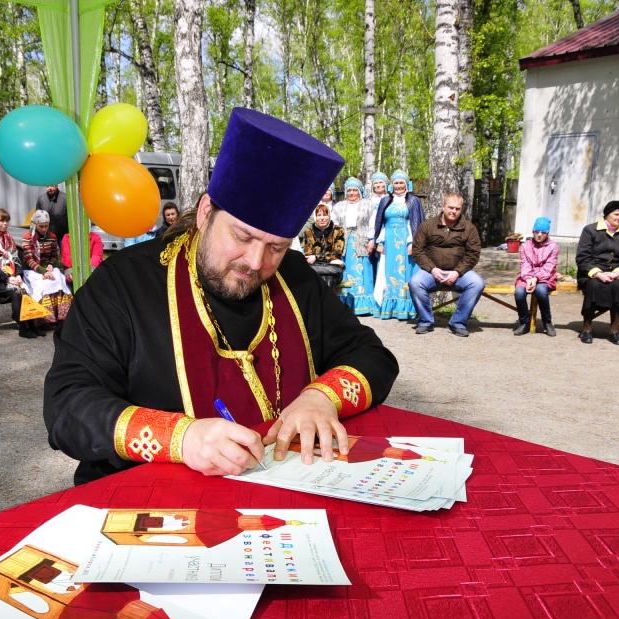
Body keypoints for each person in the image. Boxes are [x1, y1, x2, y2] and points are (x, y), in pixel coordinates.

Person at [44, 107, 399, 486]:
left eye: (276, 247)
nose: (255, 262)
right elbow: (67, 403)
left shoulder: (294, 276)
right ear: (205, 213)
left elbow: (372, 355)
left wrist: (321, 398)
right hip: (156, 493)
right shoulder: (121, 283)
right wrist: (181, 438)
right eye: (242, 237)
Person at [409, 193, 484, 336]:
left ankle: (458, 323)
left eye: (457, 208)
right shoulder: (427, 225)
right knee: (415, 283)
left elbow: (473, 253)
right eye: (451, 207)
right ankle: (425, 321)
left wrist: (457, 272)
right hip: (431, 272)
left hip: (459, 273)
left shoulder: (469, 228)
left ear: (461, 210)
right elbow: (418, 250)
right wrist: (432, 269)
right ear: (443, 206)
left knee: (477, 283)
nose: (453, 211)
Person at [575, 200, 619, 345]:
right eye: (616, 214)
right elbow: (582, 257)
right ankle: (587, 329)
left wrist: (617, 273)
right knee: (594, 285)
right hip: (591, 272)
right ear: (607, 214)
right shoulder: (590, 230)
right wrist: (598, 273)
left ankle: (614, 331)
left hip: (615, 273)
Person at [0, 208, 37, 338]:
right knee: (16, 292)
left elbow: (16, 258)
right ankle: (23, 327)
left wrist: (19, 275)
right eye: (2, 221)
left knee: (27, 288)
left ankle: (33, 326)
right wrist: (7, 278)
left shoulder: (8, 237)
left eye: (7, 221)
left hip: (11, 275)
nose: (5, 224)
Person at [373, 170, 419, 320]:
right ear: (392, 185)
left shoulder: (413, 201)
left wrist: (412, 243)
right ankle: (389, 308)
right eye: (396, 183)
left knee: (405, 273)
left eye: (401, 183)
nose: (398, 186)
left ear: (407, 185)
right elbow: (381, 223)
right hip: (388, 242)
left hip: (405, 242)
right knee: (387, 273)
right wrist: (380, 242)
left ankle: (405, 308)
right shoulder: (385, 201)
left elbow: (415, 223)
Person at [331, 177, 377, 315]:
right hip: (344, 243)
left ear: (360, 191)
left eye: (354, 190)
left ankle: (365, 305)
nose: (351, 193)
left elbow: (373, 224)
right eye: (349, 190)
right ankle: (346, 305)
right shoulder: (339, 206)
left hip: (362, 242)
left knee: (363, 271)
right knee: (346, 271)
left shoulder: (368, 205)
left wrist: (371, 240)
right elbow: (334, 225)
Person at [20, 209, 72, 329]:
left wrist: (51, 265)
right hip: (33, 270)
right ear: (35, 225)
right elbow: (29, 259)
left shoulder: (52, 237)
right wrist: (44, 272)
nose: (44, 229)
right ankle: (45, 319)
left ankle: (61, 316)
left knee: (59, 281)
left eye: (46, 226)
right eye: (41, 226)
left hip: (48, 268)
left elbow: (54, 255)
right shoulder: (28, 237)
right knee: (43, 285)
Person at [513, 217, 559, 336]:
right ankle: (524, 322)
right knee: (519, 293)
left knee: (541, 291)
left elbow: (549, 266)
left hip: (545, 277)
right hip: (527, 276)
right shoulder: (525, 246)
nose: (539, 235)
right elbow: (524, 264)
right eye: (536, 232)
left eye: (543, 232)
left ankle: (547, 321)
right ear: (533, 232)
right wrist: (528, 278)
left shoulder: (553, 246)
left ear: (547, 233)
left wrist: (536, 278)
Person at [302, 204, 345, 288]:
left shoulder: (338, 230)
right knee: (319, 278)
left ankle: (324, 296)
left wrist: (316, 257)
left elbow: (337, 253)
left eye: (325, 215)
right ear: (315, 217)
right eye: (319, 215)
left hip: (332, 270)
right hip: (315, 268)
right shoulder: (308, 232)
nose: (322, 218)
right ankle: (326, 296)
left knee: (328, 277)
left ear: (329, 216)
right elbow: (309, 256)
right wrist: (328, 259)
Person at [35, 184, 69, 248]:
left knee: (63, 252)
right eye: (47, 186)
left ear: (57, 185)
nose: (49, 188)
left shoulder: (65, 198)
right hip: (47, 236)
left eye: (52, 186)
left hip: (62, 236)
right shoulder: (41, 199)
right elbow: (37, 218)